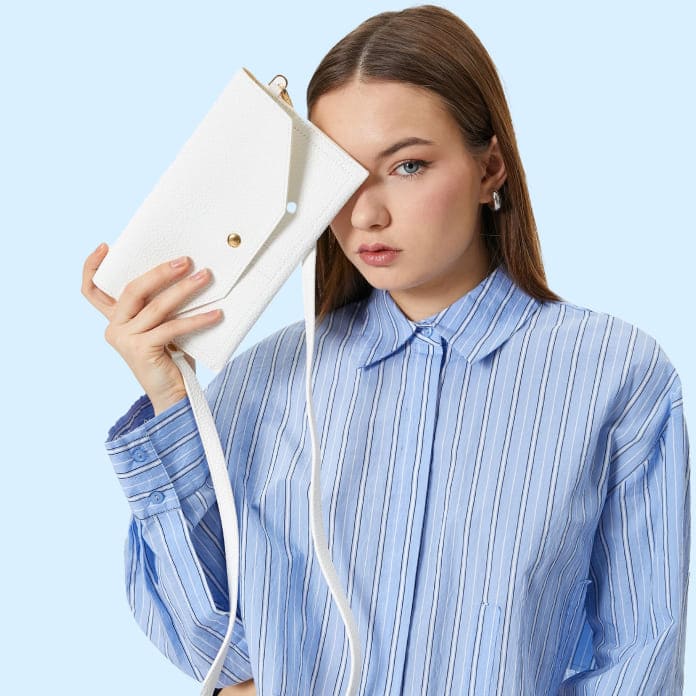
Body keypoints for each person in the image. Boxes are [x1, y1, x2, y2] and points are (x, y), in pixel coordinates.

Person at [81, 4, 690, 695]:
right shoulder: (263, 382)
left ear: (490, 167)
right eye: (342, 176)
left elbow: (641, 657)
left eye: (407, 165)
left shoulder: (616, 374)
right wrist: (170, 393)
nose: (366, 214)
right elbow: (211, 645)